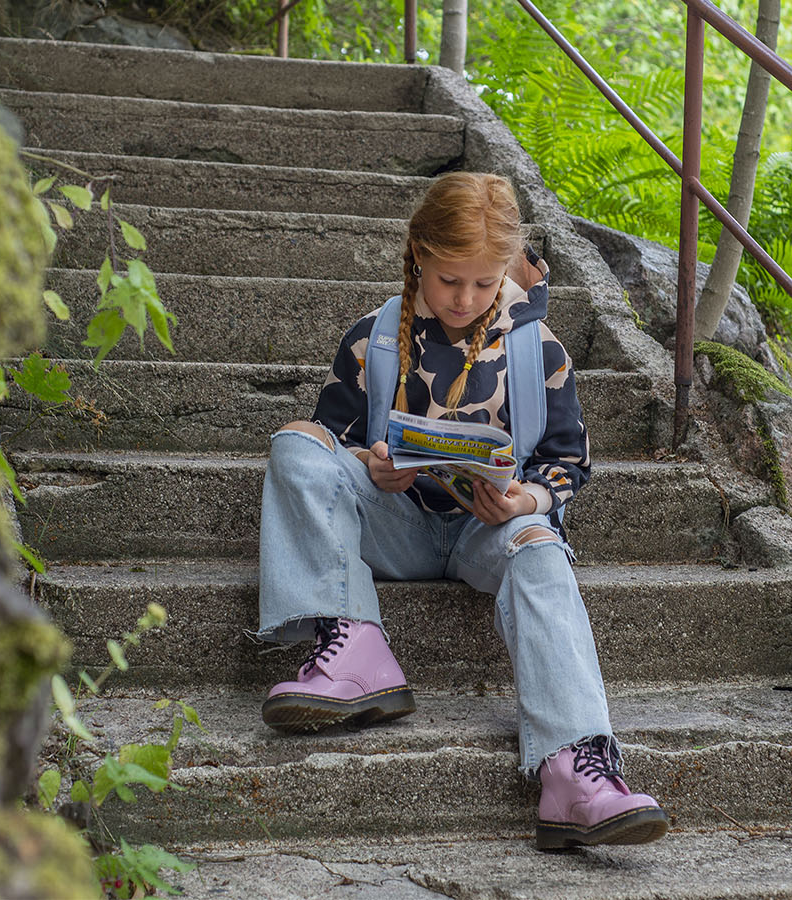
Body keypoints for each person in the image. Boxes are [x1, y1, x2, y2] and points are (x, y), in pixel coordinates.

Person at [253, 172, 668, 850]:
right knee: (296, 444)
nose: (466, 299)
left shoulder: (540, 350)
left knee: (539, 542)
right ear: (419, 253)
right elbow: (335, 448)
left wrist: (522, 500)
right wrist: (371, 466)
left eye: (483, 282)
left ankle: (576, 769)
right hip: (397, 525)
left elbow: (567, 463)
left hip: (488, 531)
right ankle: (355, 643)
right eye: (450, 281)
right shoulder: (374, 337)